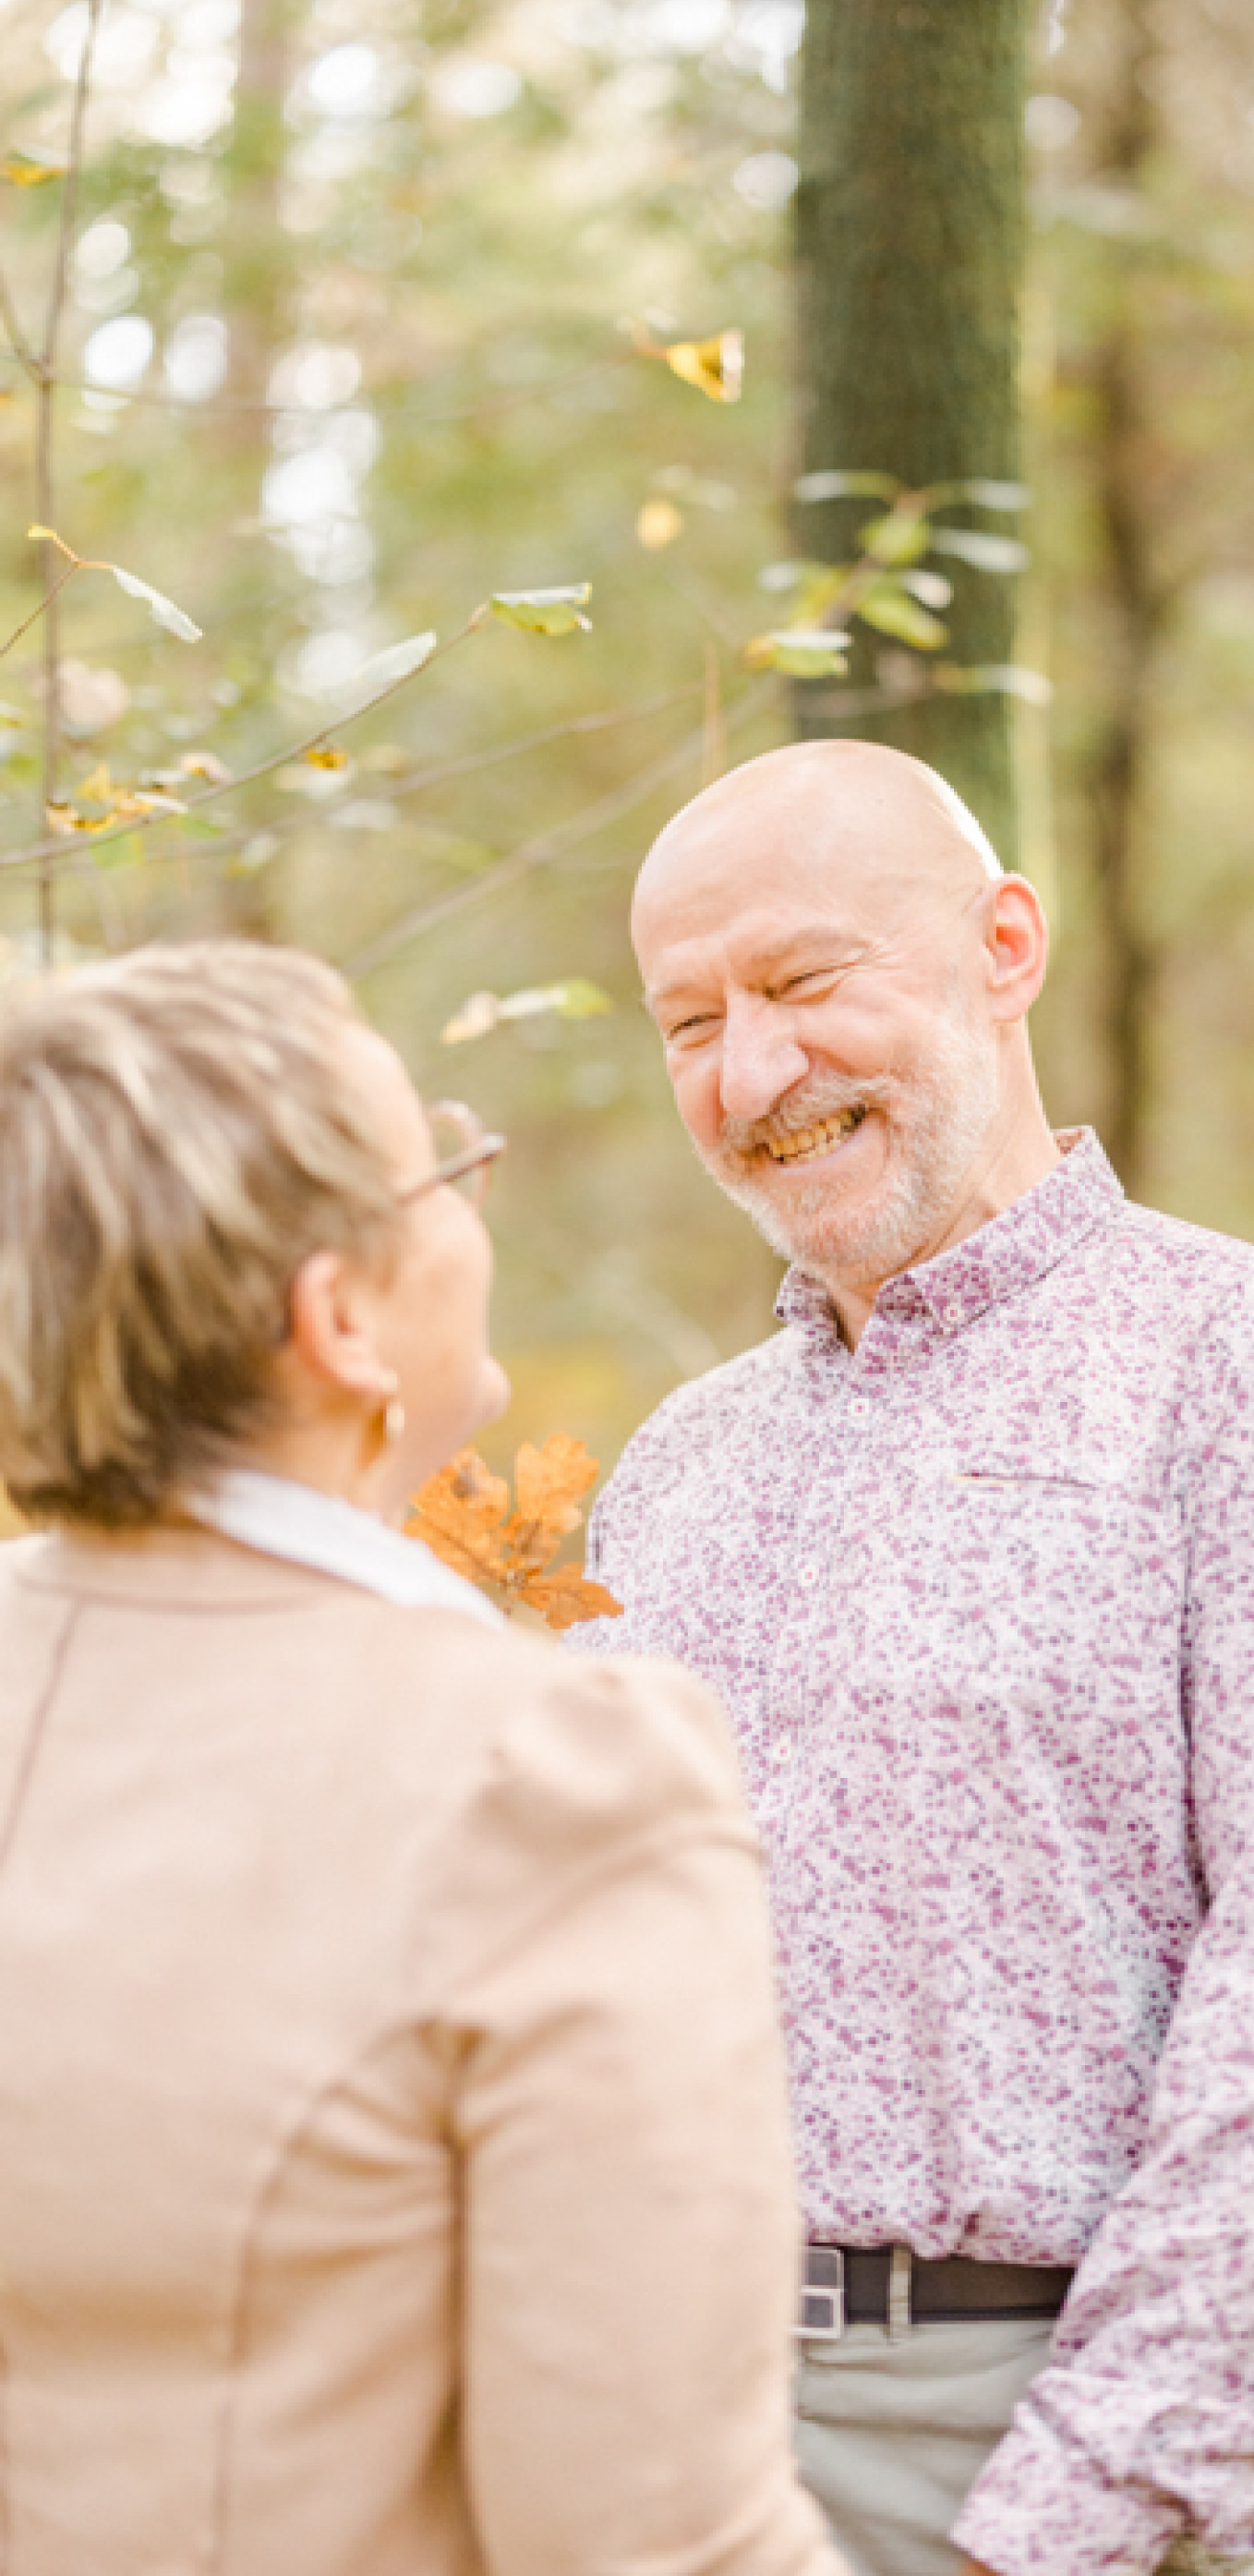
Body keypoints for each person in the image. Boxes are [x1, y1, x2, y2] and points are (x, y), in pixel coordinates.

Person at [579, 741, 1254, 2576]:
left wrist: (1083, 2507)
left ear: (1005, 946)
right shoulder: (678, 1465)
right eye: (691, 1021)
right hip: (638, 2440)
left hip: (1010, 2448)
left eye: (808, 983)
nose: (752, 1074)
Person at [0, 940, 841, 2576]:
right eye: (447, 1169)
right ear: (341, 1319)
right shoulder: (547, 1779)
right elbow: (653, 2541)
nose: (477, 1209)